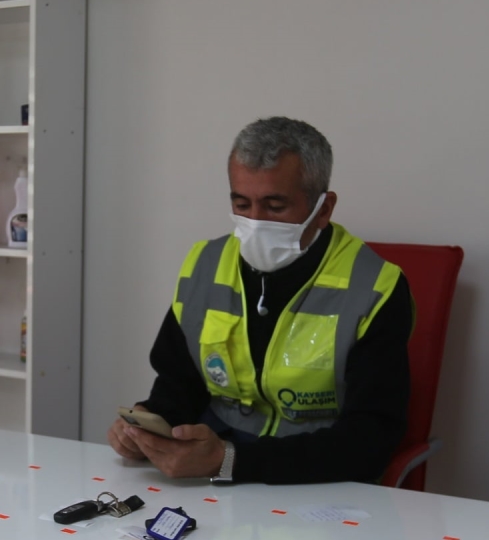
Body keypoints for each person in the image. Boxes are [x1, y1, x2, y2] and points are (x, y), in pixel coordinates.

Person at [108, 117, 414, 483]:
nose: (255, 222)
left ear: (323, 209)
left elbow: (369, 439)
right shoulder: (204, 266)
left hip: (318, 478)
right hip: (214, 477)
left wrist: (229, 461)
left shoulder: (375, 289)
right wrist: (148, 427)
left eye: (275, 206)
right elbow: (179, 384)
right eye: (242, 204)